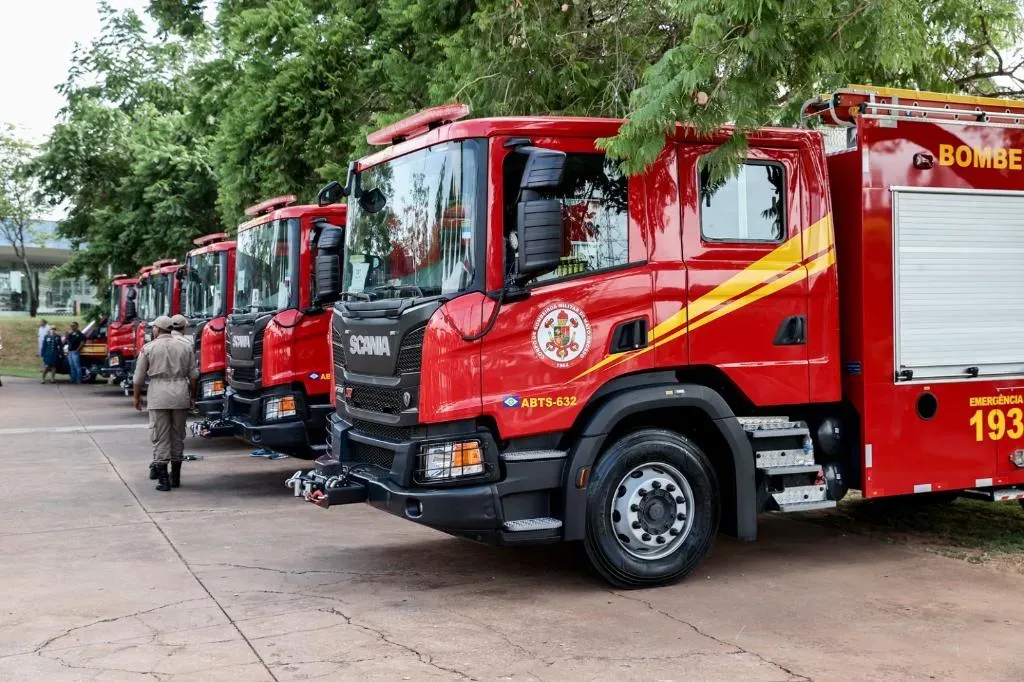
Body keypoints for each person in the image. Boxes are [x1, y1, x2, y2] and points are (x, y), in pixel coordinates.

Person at [133, 315, 197, 491]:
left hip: (158, 395)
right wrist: (193, 396)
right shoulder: (186, 347)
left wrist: (137, 397)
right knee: (177, 436)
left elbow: (138, 378)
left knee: (161, 437)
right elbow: (193, 375)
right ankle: (175, 478)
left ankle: (163, 480)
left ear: (157, 329)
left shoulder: (149, 348)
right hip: (180, 393)